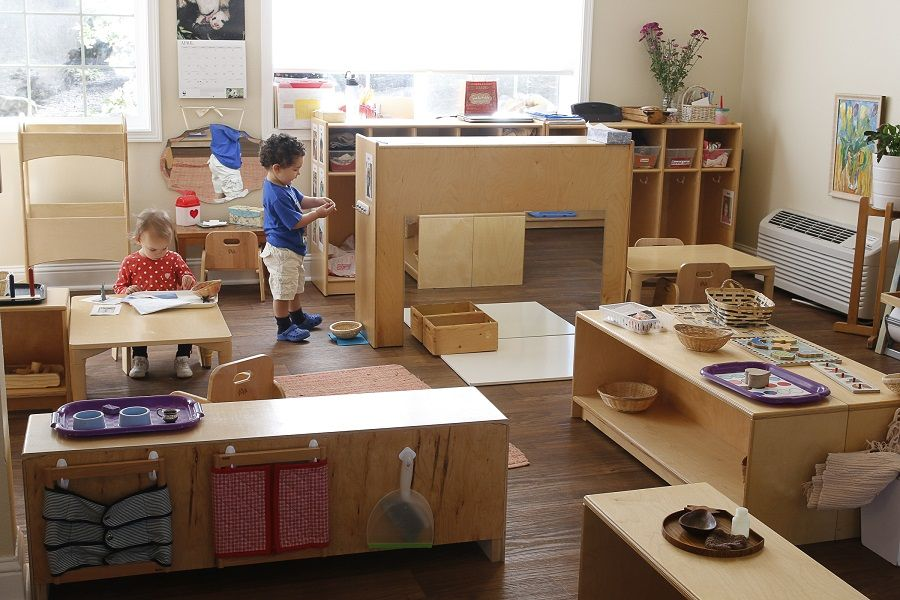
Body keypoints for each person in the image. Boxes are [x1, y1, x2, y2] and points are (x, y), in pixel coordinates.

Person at [259, 133, 336, 342]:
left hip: (291, 249)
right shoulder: (276, 195)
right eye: (295, 169)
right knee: (283, 291)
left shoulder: (283, 185)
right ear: (276, 168)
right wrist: (318, 214)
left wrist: (318, 201)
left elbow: (301, 200)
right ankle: (283, 327)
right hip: (281, 251)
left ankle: (298, 318)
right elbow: (295, 222)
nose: (298, 173)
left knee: (293, 286)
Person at [113, 209, 197, 378]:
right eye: (153, 249)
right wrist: (127, 291)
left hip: (171, 307)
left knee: (187, 323)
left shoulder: (173, 258)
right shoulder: (130, 261)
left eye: (164, 248)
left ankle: (182, 357)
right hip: (142, 311)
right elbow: (118, 287)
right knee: (136, 325)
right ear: (139, 240)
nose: (159, 254)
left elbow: (187, 277)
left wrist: (187, 278)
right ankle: (140, 358)